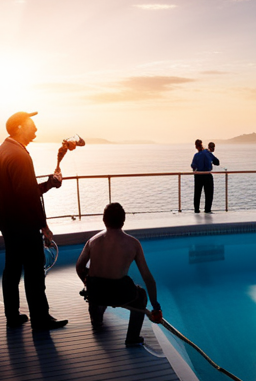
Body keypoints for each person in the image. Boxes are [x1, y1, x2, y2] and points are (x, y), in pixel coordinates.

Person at [0, 111, 68, 330]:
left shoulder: (4, 150)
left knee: (11, 270)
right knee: (34, 273)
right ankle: (40, 319)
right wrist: (43, 225)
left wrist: (49, 183)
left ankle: (12, 315)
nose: (36, 130)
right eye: (32, 125)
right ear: (19, 127)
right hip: (24, 224)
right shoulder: (19, 155)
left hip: (9, 223)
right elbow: (27, 196)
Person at [75, 203, 161, 346]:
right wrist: (156, 306)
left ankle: (96, 320)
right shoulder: (133, 244)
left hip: (97, 292)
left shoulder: (92, 241)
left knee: (96, 286)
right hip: (120, 293)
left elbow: (79, 267)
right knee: (141, 295)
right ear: (123, 221)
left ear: (104, 220)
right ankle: (132, 338)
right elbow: (148, 278)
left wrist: (86, 282)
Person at [191, 139, 215, 213]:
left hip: (198, 175)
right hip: (207, 174)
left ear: (196, 146)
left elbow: (193, 166)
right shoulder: (207, 153)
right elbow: (216, 161)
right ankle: (207, 209)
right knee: (209, 194)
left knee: (197, 193)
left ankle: (196, 210)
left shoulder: (196, 155)